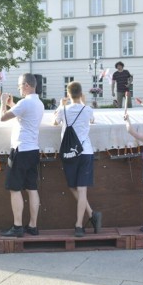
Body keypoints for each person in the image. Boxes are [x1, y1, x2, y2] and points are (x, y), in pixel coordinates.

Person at [53, 82, 102, 237]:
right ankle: (87, 219)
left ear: (68, 94)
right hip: (85, 151)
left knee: (74, 188)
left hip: (69, 153)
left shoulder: (63, 109)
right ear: (81, 95)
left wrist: (61, 105)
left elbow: (54, 122)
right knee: (81, 189)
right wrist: (84, 103)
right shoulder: (87, 109)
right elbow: (92, 120)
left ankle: (83, 222)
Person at [0, 73, 44, 237]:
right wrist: (13, 104)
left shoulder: (25, 103)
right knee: (32, 188)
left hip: (20, 149)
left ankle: (17, 226)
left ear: (26, 85)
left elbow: (3, 118)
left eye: (19, 86)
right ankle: (32, 226)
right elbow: (23, 114)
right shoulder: (38, 103)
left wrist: (3, 103)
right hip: (33, 150)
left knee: (14, 188)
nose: (19, 89)